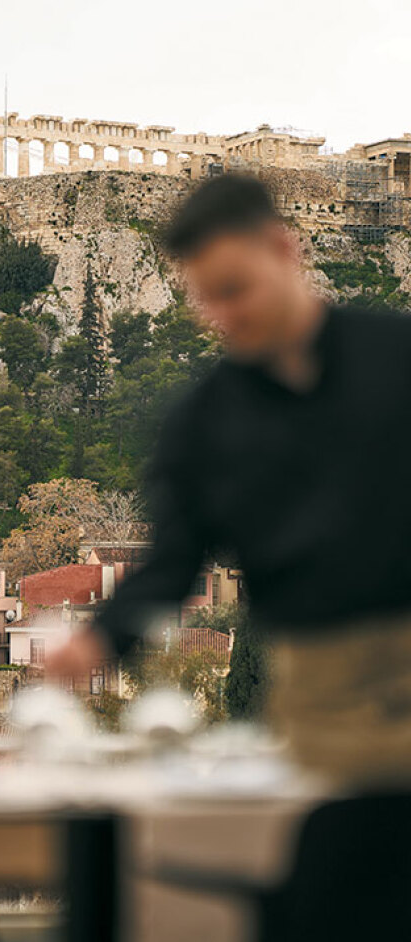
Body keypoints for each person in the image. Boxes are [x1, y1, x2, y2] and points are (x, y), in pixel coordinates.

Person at [47, 172, 411, 783]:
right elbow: (173, 561)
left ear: (284, 249)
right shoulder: (202, 424)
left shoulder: (398, 356)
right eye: (208, 297)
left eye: (235, 289)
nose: (224, 315)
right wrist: (98, 639)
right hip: (325, 694)